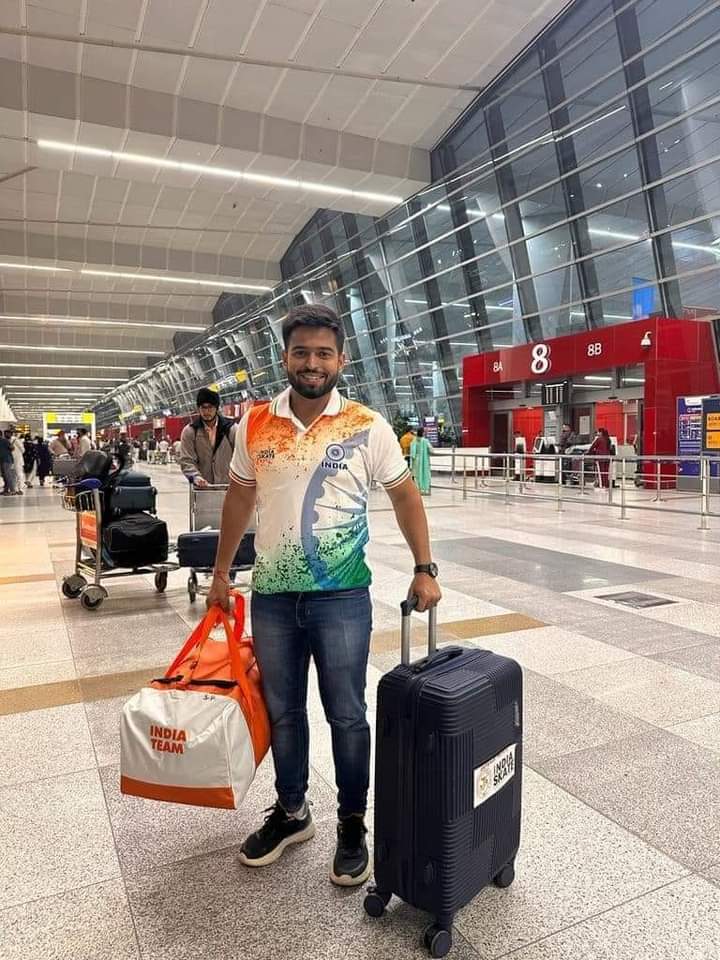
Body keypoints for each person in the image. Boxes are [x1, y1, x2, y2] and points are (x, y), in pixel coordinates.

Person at [207, 304, 442, 887]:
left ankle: (352, 823)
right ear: (284, 357)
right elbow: (239, 498)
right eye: (301, 353)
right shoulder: (255, 424)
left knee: (347, 714)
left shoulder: (367, 424)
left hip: (342, 599)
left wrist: (424, 568)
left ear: (341, 359)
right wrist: (220, 573)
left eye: (323, 353)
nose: (312, 363)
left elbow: (405, 496)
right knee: (284, 713)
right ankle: (292, 812)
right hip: (272, 598)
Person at [179, 388, 237, 487]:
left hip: (229, 487)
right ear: (198, 408)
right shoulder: (190, 431)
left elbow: (241, 457)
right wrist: (195, 477)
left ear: (217, 408)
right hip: (202, 488)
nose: (206, 411)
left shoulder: (231, 429)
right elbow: (186, 460)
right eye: (203, 407)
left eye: (210, 407)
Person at [410, 427, 432, 495]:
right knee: (424, 474)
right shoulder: (425, 441)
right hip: (424, 460)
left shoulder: (414, 441)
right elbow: (431, 450)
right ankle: (424, 489)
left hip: (415, 460)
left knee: (416, 475)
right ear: (422, 433)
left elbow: (412, 452)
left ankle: (418, 489)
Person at [0, 430, 19, 495]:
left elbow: (12, 448)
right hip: (2, 460)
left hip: (7, 460)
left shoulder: (4, 440)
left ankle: (12, 490)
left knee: (7, 475)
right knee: (4, 476)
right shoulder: (5, 440)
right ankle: (6, 490)